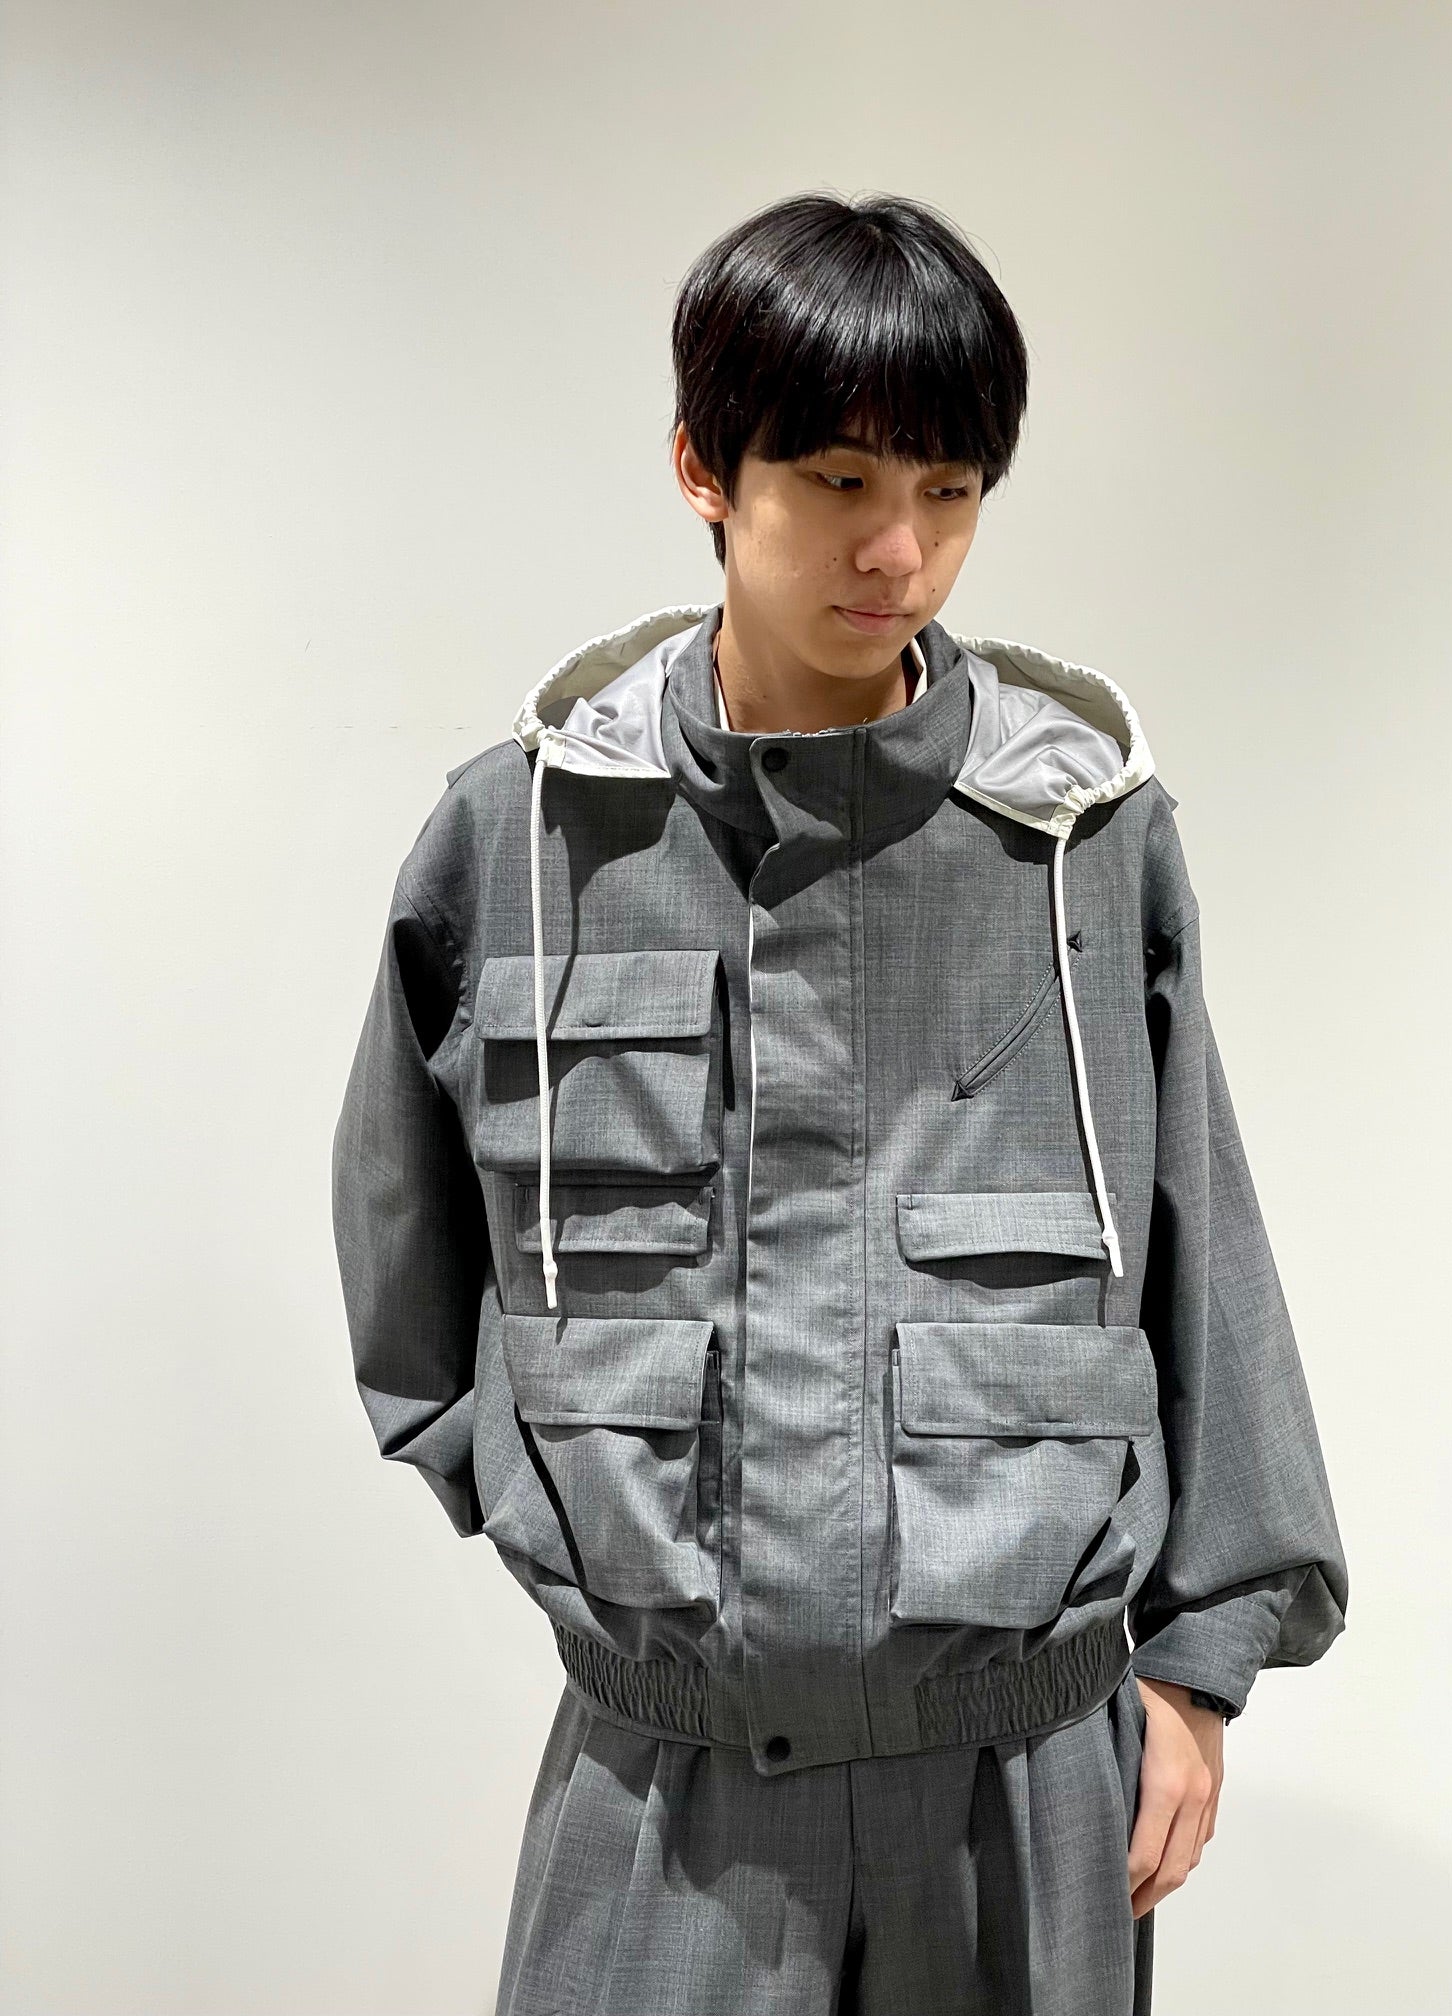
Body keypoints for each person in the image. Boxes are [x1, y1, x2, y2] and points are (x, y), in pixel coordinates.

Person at [331, 191, 1348, 2016]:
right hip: (667, 1787)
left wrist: (1199, 1671)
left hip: (1022, 1786)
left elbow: (1201, 1247)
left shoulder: (1080, 844)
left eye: (951, 491)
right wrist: (573, 1505)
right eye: (842, 480)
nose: (901, 551)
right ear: (704, 470)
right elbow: (407, 1276)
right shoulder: (527, 839)